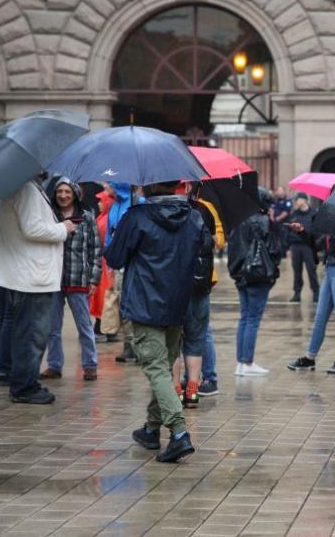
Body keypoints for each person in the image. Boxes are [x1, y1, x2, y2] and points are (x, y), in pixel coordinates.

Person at [105, 180, 203, 463]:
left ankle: (179, 433)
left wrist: (119, 232)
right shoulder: (193, 217)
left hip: (145, 303)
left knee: (157, 369)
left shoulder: (137, 217)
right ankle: (150, 428)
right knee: (163, 366)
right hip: (177, 303)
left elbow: (115, 257)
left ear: (148, 187)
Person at [0, 175, 74, 404]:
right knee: (32, 334)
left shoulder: (18, 186)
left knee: (26, 332)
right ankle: (24, 387)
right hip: (31, 276)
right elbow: (32, 228)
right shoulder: (26, 189)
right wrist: (63, 228)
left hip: (25, 273)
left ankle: (24, 382)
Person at [41, 178, 102, 382]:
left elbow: (95, 250)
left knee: (84, 325)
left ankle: (90, 364)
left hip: (78, 278)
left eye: (67, 191)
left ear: (75, 194)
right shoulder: (50, 216)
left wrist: (94, 279)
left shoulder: (86, 217)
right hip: (54, 278)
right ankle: (54, 365)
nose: (63, 196)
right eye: (60, 192)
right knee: (53, 326)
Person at [171, 187, 224, 407]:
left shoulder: (157, 207)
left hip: (179, 283)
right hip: (197, 281)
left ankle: (179, 390)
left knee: (175, 339)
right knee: (194, 336)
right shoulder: (204, 208)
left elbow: (219, 239)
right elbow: (218, 240)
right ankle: (189, 389)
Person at [227, 191, 281, 376]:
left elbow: (232, 249)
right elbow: (274, 249)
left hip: (241, 274)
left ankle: (241, 363)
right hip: (258, 274)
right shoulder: (264, 221)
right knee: (252, 319)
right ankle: (247, 363)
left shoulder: (238, 220)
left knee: (245, 317)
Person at [287, 233, 335, 374]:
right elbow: (316, 245)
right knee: (320, 317)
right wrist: (303, 233)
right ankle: (309, 357)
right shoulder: (331, 224)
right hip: (330, 269)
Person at [102, 182, 143, 362]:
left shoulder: (139, 203)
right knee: (122, 304)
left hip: (136, 263)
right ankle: (129, 345)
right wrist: (109, 260)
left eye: (109, 184)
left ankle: (137, 345)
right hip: (119, 264)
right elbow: (109, 236)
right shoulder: (115, 205)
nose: (106, 188)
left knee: (135, 304)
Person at [89, 189, 115, 341]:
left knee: (104, 296)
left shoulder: (105, 220)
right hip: (103, 262)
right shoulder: (103, 217)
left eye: (101, 200)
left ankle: (104, 328)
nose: (98, 203)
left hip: (105, 264)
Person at [286, 194, 319, 303]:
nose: (296, 202)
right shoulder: (294, 214)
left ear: (304, 200)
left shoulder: (313, 213)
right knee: (297, 271)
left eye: (298, 200)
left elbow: (316, 231)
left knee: (311, 270)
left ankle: (316, 292)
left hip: (308, 246)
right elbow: (288, 231)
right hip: (295, 246)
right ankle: (297, 293)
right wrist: (288, 248)